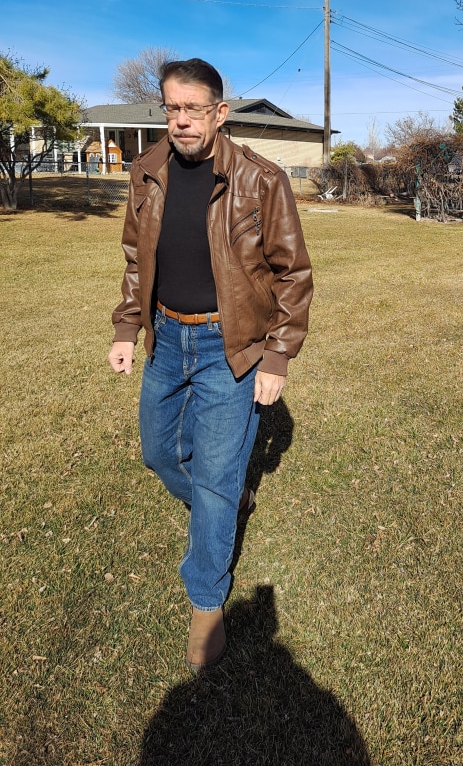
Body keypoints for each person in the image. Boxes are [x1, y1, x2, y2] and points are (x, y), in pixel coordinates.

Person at [107, 57, 313, 671]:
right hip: (168, 337)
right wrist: (127, 326)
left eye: (193, 109)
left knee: (218, 476)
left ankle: (205, 599)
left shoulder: (261, 179)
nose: (181, 120)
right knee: (159, 452)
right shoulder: (146, 171)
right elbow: (136, 259)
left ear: (219, 113)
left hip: (234, 345)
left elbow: (293, 273)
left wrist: (277, 354)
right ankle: (223, 501)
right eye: (172, 108)